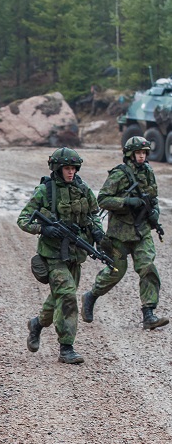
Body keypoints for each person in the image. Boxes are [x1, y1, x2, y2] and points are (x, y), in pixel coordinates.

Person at [18, 147, 104, 365]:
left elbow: (94, 214)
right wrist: (43, 229)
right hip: (53, 256)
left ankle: (37, 323)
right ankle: (67, 348)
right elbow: (23, 219)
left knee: (59, 297)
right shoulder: (46, 191)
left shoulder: (83, 190)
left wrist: (97, 232)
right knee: (67, 296)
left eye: (73, 168)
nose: (71, 172)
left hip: (75, 254)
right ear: (57, 168)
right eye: (67, 168)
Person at [82, 136, 167, 330]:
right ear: (130, 154)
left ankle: (149, 314)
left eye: (144, 153)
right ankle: (91, 295)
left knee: (148, 267)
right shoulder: (119, 174)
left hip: (141, 232)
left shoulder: (148, 172)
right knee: (116, 272)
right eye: (138, 153)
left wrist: (154, 214)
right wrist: (126, 202)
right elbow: (102, 199)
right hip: (119, 234)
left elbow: (153, 199)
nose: (141, 156)